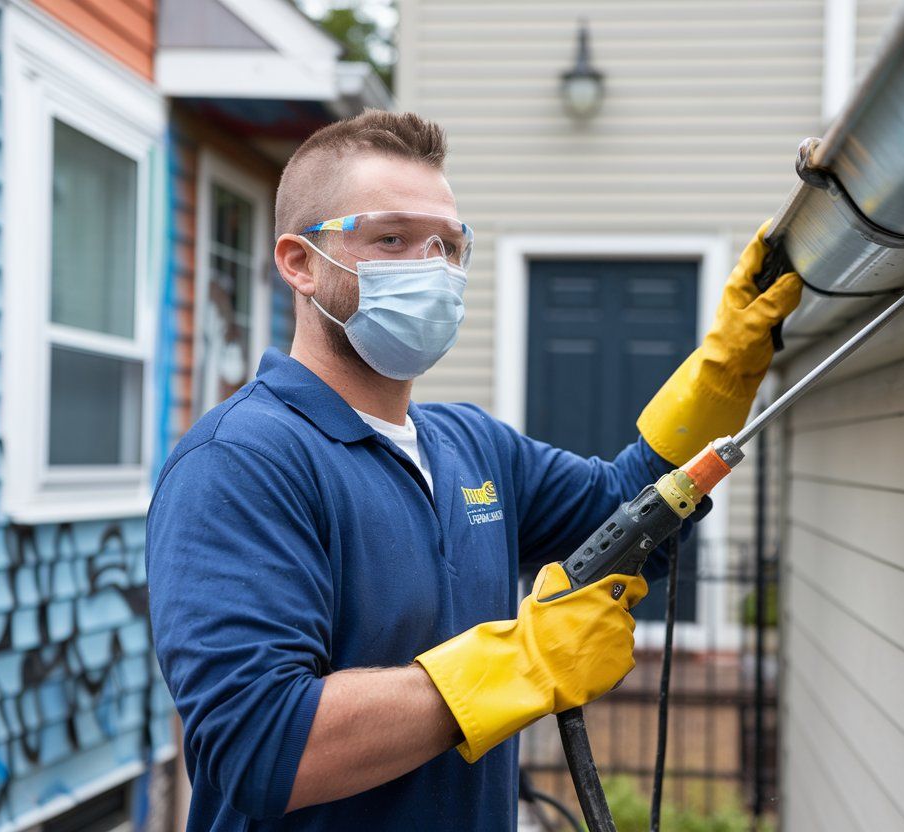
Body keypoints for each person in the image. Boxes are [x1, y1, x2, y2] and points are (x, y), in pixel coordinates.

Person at [146, 110, 801, 831]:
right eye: (392, 239)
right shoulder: (240, 463)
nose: (431, 269)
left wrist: (728, 365)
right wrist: (522, 662)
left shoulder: (469, 445)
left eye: (448, 246)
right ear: (300, 262)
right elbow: (260, 744)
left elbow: (630, 508)